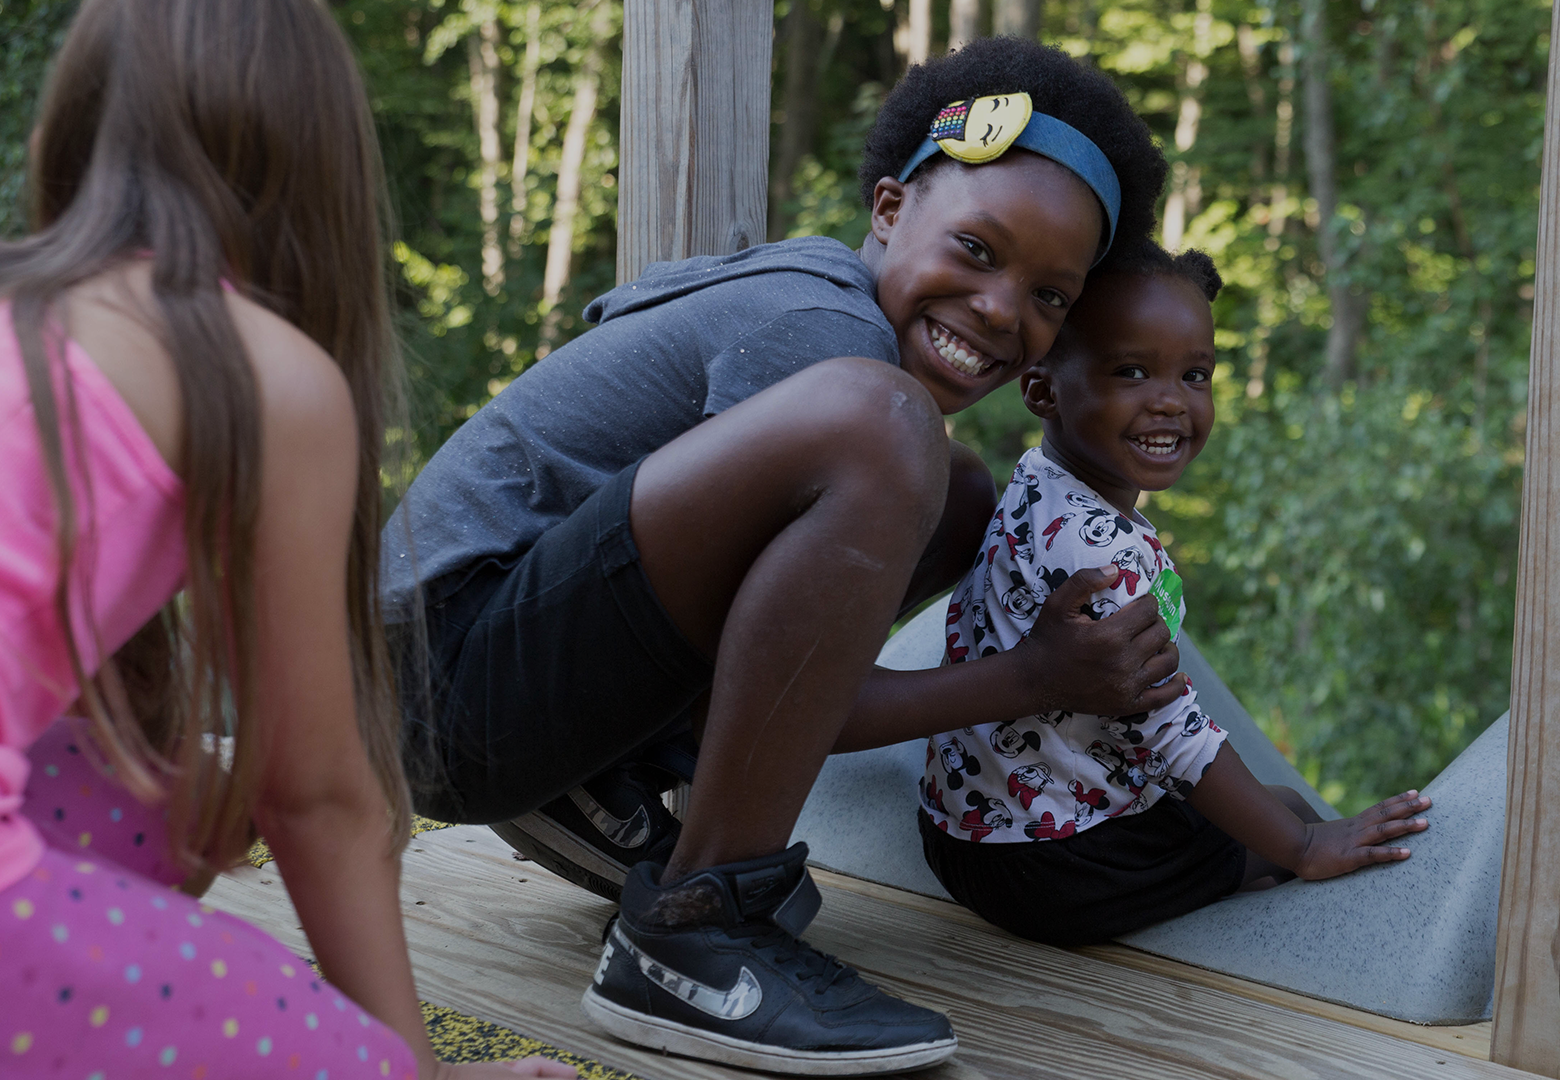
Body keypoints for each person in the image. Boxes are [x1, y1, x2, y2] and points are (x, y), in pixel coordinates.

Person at [383, 37, 1178, 1076]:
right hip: (437, 684)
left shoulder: (822, 314)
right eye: (977, 250)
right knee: (886, 426)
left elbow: (776, 686)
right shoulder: (821, 329)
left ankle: (596, 785)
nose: (1002, 311)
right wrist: (1033, 678)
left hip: (486, 680)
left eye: (1050, 298)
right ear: (888, 208)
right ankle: (692, 932)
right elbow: (801, 698)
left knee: (958, 492)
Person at [0, 2, 568, 1077]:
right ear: (315, 174)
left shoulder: (28, 310)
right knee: (346, 1063)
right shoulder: (260, 369)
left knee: (156, 805)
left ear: (64, 142)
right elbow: (311, 795)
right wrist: (402, 1068)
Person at [916, 242, 1434, 948]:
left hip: (960, 829)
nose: (1170, 401)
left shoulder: (1037, 482)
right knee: (1290, 826)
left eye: (1195, 375)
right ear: (1042, 392)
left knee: (1276, 807)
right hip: (1052, 867)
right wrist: (1306, 848)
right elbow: (1172, 735)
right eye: (1131, 371)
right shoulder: (1103, 555)